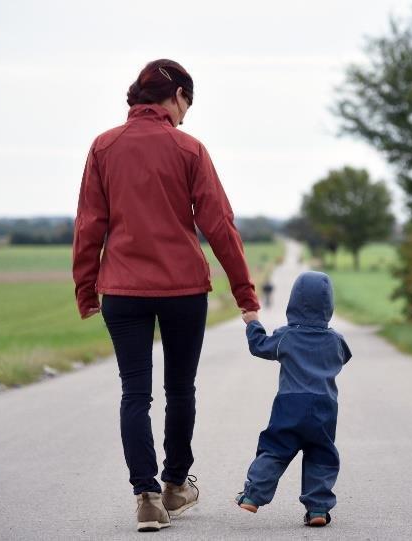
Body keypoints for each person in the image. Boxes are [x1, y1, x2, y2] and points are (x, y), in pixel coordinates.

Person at [72, 58, 260, 532]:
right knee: (180, 389)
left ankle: (147, 497)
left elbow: (89, 223)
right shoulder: (189, 149)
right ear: (176, 95)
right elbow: (219, 224)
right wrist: (244, 295)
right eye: (187, 104)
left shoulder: (104, 146)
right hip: (183, 290)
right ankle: (175, 485)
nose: (185, 115)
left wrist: (86, 289)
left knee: (134, 393)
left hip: (122, 290)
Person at [236, 271, 352, 527]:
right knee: (321, 454)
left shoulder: (286, 337)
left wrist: (253, 323)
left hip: (290, 405)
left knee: (276, 449)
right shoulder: (336, 341)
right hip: (324, 407)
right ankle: (318, 508)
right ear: (329, 306)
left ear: (294, 302)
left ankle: (253, 495)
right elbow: (344, 356)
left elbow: (259, 346)